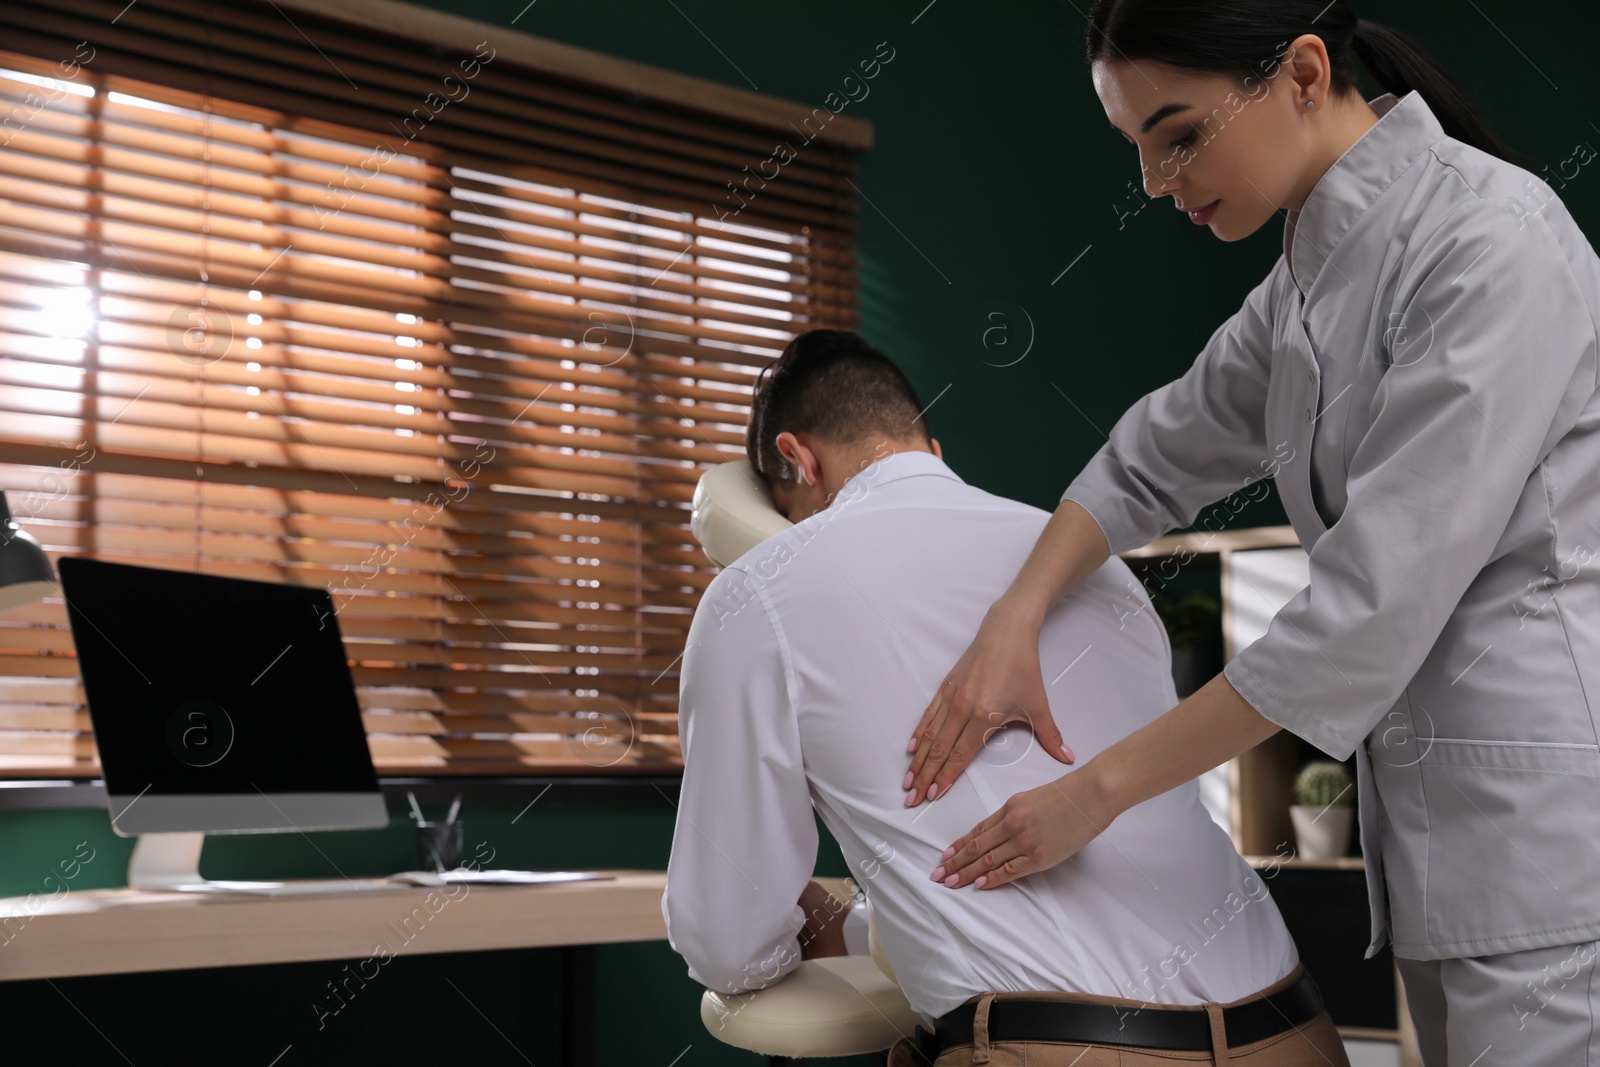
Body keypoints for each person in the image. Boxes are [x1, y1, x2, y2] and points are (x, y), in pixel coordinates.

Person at [902, 4, 1600, 1065]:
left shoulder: (1490, 240)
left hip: (1546, 834)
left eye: (1177, 136)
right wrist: (1017, 610)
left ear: (1306, 73)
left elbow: (1364, 612)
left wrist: (1093, 792)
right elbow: (1152, 454)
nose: (1152, 183)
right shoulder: (1302, 288)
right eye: (1136, 149)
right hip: (1445, 846)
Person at [662, 330, 1350, 1066]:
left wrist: (783, 935)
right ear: (932, 448)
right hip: (1292, 1027)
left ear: (798, 460)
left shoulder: (756, 593)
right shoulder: (1093, 566)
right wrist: (864, 921)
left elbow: (725, 940)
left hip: (1063, 1047)